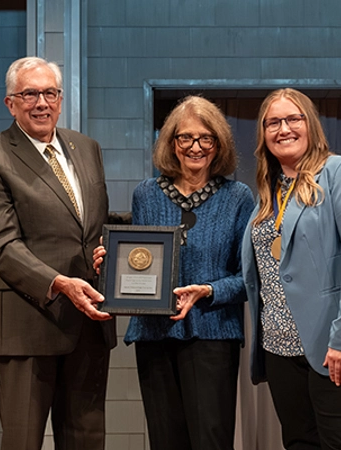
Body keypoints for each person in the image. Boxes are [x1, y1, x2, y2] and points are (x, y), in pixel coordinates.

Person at [0, 56, 116, 450]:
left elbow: (95, 224)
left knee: (87, 441)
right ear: (10, 103)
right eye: (29, 94)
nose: (41, 103)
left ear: (61, 99)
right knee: (22, 442)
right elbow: (1, 245)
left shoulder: (87, 148)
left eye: (49, 93)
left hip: (88, 325)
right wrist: (58, 282)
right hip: (27, 324)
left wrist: (114, 250)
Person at [242, 88, 341, 449]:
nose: (283, 128)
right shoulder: (268, 192)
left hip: (338, 347)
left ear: (310, 124)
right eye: (273, 122)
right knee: (300, 444)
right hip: (281, 349)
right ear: (263, 134)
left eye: (293, 118)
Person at [94, 96, 255, 450]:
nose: (195, 147)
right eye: (185, 138)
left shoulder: (238, 197)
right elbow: (139, 261)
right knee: (165, 441)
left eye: (205, 138)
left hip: (212, 336)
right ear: (171, 143)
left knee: (210, 441)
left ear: (219, 144)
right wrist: (111, 265)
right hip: (155, 335)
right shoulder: (147, 195)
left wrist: (208, 291)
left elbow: (249, 278)